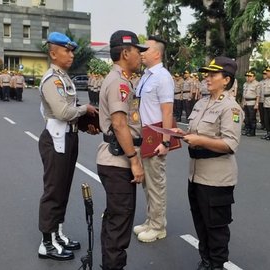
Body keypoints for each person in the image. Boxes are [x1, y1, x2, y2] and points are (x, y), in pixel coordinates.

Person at [173, 56, 242, 270]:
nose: (207, 78)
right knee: (200, 222)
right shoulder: (202, 102)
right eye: (207, 73)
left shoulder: (231, 108)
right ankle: (206, 262)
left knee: (216, 228)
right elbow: (197, 132)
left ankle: (217, 265)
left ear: (226, 80)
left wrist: (200, 140)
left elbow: (231, 144)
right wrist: (182, 134)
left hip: (217, 178)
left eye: (213, 74)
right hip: (195, 174)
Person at [36, 32, 98, 261]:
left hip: (68, 137)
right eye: (66, 50)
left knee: (62, 189)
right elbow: (63, 112)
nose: (71, 54)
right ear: (53, 53)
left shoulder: (64, 78)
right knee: (53, 191)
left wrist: (85, 120)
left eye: (72, 50)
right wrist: (86, 110)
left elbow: (71, 110)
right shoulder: (52, 79)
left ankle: (57, 235)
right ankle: (46, 244)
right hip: (56, 139)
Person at [97, 30, 147, 270]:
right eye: (138, 51)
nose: (141, 56)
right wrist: (134, 160)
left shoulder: (122, 79)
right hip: (119, 160)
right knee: (119, 222)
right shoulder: (119, 81)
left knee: (114, 219)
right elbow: (119, 123)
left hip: (114, 157)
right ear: (126, 52)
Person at [133, 35, 174, 243]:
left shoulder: (163, 76)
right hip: (144, 136)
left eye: (145, 49)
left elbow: (167, 112)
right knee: (147, 183)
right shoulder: (147, 76)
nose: (141, 53)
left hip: (156, 136)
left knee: (156, 182)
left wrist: (165, 141)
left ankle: (158, 226)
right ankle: (151, 220)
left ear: (157, 53)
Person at [241, 71, 261, 137]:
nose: (248, 78)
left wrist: (257, 104)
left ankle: (252, 131)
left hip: (252, 102)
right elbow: (244, 94)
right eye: (248, 76)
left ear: (254, 77)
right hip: (246, 102)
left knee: (252, 118)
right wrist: (243, 102)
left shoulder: (257, 84)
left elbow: (258, 95)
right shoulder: (245, 84)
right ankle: (247, 130)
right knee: (246, 118)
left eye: (250, 76)